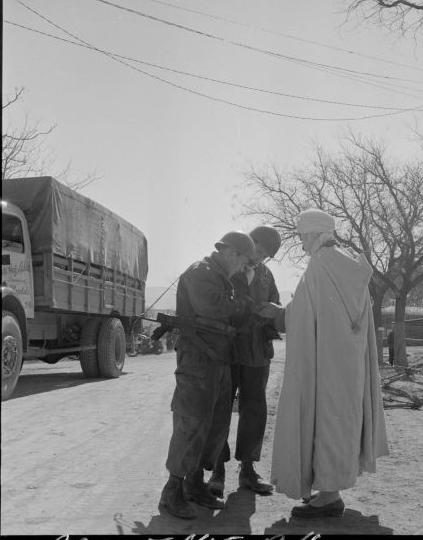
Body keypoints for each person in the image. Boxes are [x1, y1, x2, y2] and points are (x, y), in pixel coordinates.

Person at [255, 208, 389, 518]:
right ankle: (329, 490)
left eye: (303, 237)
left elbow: (302, 313)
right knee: (339, 421)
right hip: (347, 366)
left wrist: (276, 313)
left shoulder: (321, 265)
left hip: (327, 365)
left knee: (326, 422)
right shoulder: (347, 264)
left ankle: (330, 496)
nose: (302, 244)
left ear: (316, 234)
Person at [158, 231, 256, 520]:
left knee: (215, 425)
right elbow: (213, 308)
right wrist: (244, 304)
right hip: (198, 361)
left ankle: (195, 484)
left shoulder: (219, 274)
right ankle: (172, 491)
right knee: (191, 423)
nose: (243, 269)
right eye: (243, 262)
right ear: (231, 253)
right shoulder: (201, 272)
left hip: (217, 360)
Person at [208, 226, 282, 498]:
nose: (258, 257)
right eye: (258, 250)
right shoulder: (229, 267)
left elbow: (275, 304)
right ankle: (217, 471)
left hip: (257, 353)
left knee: (254, 411)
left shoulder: (266, 276)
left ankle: (248, 470)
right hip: (227, 352)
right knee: (221, 410)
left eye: (265, 255)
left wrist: (270, 315)